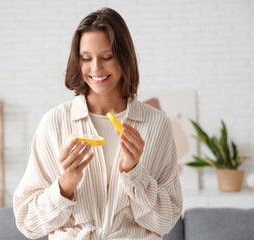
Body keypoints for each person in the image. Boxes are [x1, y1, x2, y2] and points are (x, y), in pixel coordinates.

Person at [13, 7, 182, 240]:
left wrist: (135, 172)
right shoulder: (54, 123)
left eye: (107, 57)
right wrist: (66, 184)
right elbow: (28, 223)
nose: (96, 68)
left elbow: (165, 221)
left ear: (124, 57)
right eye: (86, 58)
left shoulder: (156, 124)